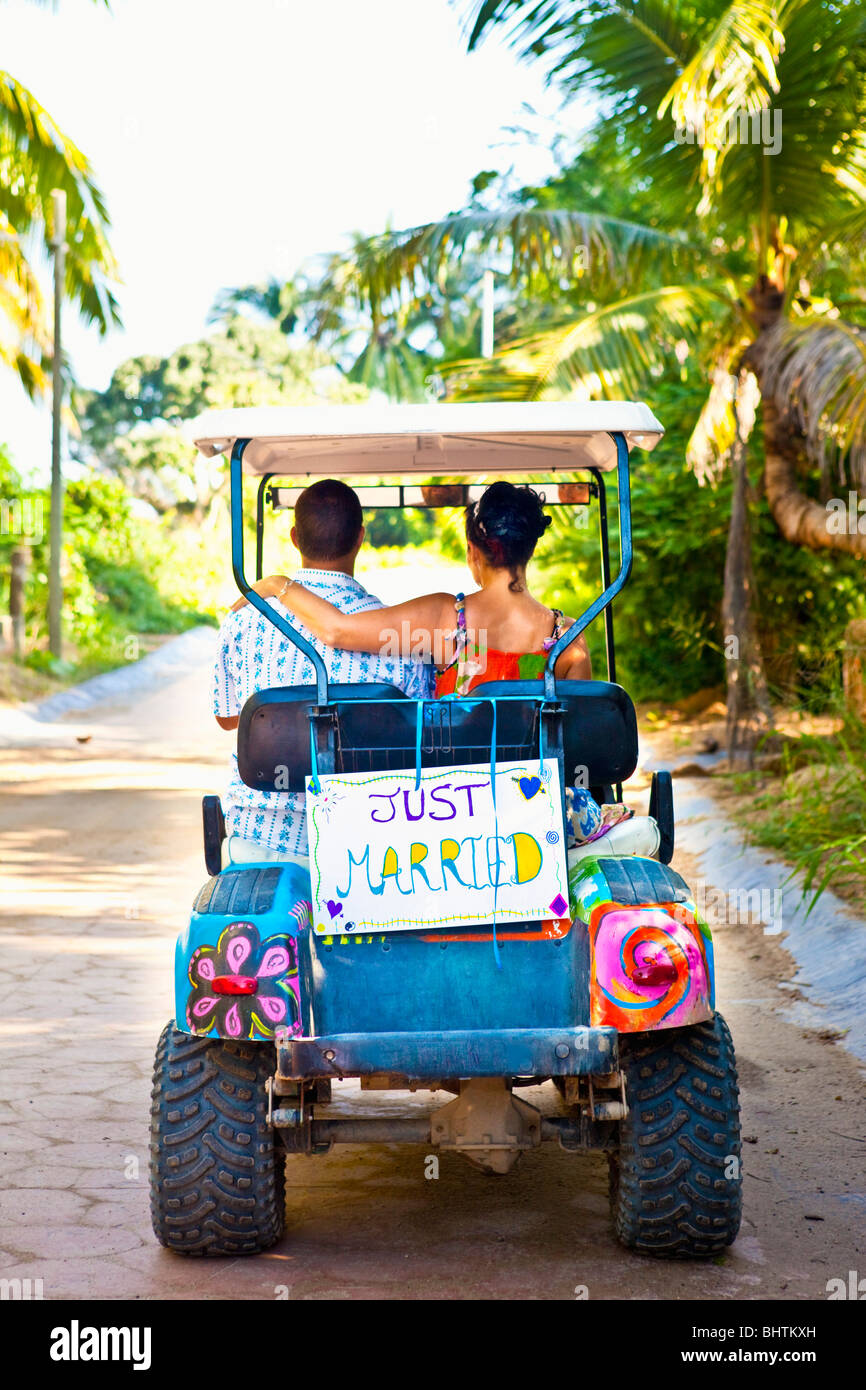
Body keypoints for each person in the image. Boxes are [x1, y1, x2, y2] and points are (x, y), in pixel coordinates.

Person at [213, 478, 430, 864]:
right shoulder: (400, 639)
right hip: (369, 845)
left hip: (259, 837)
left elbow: (229, 717)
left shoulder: (243, 621)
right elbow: (420, 742)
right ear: (360, 538)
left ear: (295, 537)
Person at [234, 481, 592, 695]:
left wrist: (278, 584)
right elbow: (580, 736)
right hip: (537, 809)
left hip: (458, 807)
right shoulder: (569, 638)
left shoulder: (445, 620)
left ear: (472, 551)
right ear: (530, 548)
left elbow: (336, 629)